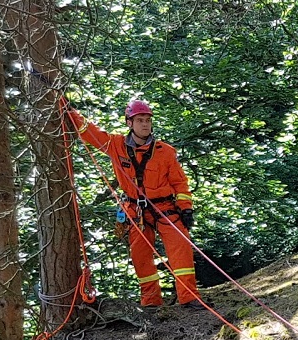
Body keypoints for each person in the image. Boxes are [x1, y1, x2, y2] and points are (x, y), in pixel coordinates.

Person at [69, 99, 202, 310]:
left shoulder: (165, 151)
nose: (145, 124)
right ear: (129, 123)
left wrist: (186, 208)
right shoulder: (116, 145)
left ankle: (189, 297)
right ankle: (151, 302)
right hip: (135, 210)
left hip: (165, 208)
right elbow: (90, 132)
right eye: (140, 120)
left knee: (180, 249)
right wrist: (70, 111)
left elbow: (180, 183)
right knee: (140, 258)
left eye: (148, 120)